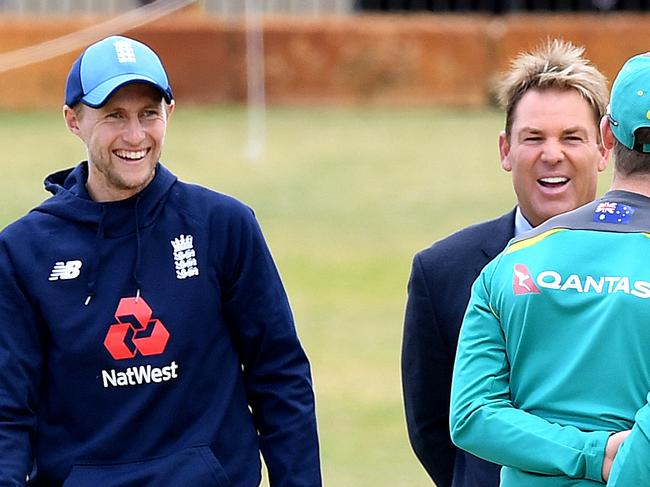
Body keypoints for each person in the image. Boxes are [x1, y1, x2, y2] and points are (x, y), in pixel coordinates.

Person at [0, 35, 321, 486]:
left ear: (169, 113)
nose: (135, 136)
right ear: (74, 120)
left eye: (148, 113)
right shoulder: (22, 251)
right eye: (114, 116)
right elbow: (7, 410)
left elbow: (280, 376)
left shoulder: (223, 226)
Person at [401, 39, 610, 487]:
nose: (551, 154)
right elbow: (431, 423)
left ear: (604, 147)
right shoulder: (441, 271)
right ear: (505, 150)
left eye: (571, 137)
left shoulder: (639, 264)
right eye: (533, 138)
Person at [450, 52, 650, 487]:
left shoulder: (512, 259)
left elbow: (471, 415)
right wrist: (606, 459)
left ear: (606, 137)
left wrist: (587, 454)